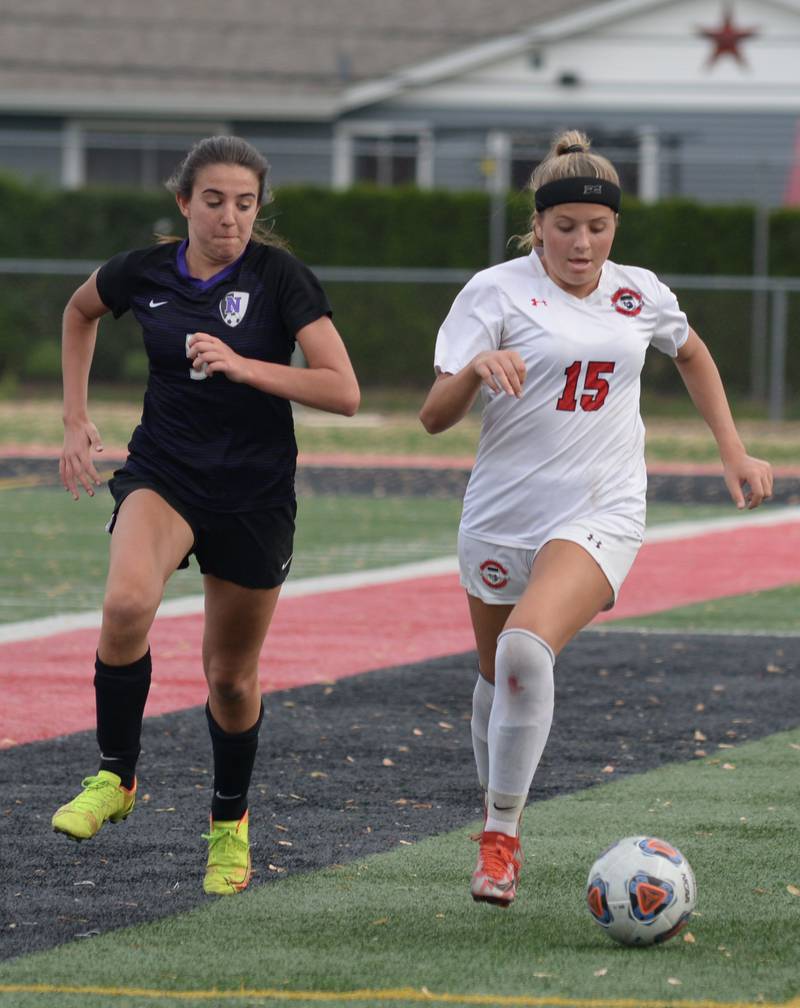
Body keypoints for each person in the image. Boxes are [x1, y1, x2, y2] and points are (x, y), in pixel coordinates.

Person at [419, 129, 773, 908]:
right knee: (495, 675)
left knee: (523, 650)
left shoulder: (639, 291)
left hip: (602, 508)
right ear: (537, 224)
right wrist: (477, 369)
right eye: (566, 226)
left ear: (615, 228)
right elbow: (432, 417)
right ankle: (495, 810)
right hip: (503, 512)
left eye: (598, 226)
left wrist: (734, 450)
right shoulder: (495, 291)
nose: (582, 242)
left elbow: (691, 353)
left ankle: (500, 838)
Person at [52, 135, 360, 896]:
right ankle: (115, 777)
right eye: (214, 201)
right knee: (126, 605)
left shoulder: (280, 277)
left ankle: (229, 826)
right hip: (166, 473)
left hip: (254, 495)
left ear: (259, 209)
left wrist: (245, 364)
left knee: (229, 678)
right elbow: (80, 310)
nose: (230, 217)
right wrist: (73, 418)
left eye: (245, 204)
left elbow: (344, 389)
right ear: (184, 202)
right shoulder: (146, 271)